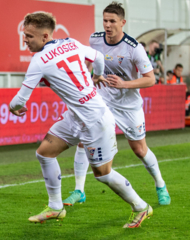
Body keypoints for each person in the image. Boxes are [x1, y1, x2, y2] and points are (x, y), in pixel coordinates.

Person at [9, 12, 152, 228]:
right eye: (24, 34)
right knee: (45, 153)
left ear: (45, 36)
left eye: (29, 36)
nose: (25, 40)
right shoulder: (71, 43)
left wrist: (13, 108)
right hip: (76, 116)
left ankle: (141, 207)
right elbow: (98, 58)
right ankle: (56, 207)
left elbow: (20, 100)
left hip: (96, 119)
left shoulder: (38, 61)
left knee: (102, 175)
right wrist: (97, 75)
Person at [63, 2, 171, 208]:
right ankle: (79, 190)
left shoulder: (134, 48)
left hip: (129, 107)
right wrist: (90, 79)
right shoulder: (94, 40)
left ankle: (160, 184)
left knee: (139, 150)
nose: (108, 25)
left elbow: (150, 79)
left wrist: (124, 84)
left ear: (123, 23)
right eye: (105, 20)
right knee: (85, 141)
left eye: (112, 21)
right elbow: (88, 64)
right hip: (102, 102)